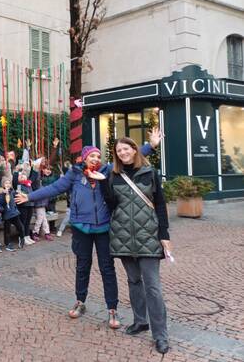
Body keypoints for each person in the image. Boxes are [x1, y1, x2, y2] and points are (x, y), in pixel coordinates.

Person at [15, 128, 162, 330]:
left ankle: (112, 309)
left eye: (98, 156)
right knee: (82, 267)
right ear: (84, 158)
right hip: (81, 228)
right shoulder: (74, 174)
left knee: (107, 269)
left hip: (103, 228)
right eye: (92, 155)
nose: (95, 159)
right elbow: (55, 188)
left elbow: (130, 156)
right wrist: (30, 196)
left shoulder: (107, 171)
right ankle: (80, 301)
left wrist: (151, 145)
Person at [91, 137, 172, 355]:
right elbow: (112, 204)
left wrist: (164, 233)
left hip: (148, 236)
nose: (123, 153)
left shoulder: (150, 172)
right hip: (123, 237)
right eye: (119, 150)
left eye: (126, 149)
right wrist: (101, 182)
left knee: (153, 287)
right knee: (134, 281)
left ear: (135, 150)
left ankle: (160, 335)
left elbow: (161, 204)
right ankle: (140, 321)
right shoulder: (113, 176)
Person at [0, 176, 24, 251]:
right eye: (6, 183)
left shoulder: (12, 191)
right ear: (3, 184)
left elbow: (18, 192)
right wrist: (4, 194)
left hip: (14, 213)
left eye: (9, 183)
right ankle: (8, 244)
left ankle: (21, 238)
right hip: (7, 215)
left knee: (21, 227)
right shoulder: (1, 193)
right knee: (7, 230)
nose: (8, 184)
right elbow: (1, 203)